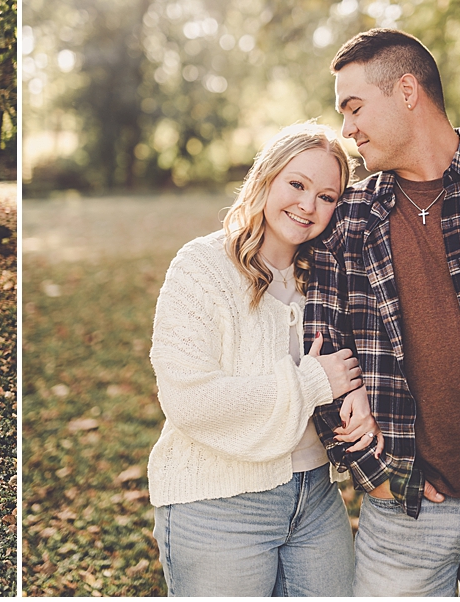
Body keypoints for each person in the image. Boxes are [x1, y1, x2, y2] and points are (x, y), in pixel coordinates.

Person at [306, 27, 460, 596]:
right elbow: (318, 352)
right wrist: (378, 477)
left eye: (354, 106)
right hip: (406, 516)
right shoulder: (347, 222)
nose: (346, 129)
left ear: (408, 91)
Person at [148, 122, 383, 597]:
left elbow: (359, 360)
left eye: (327, 196)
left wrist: (360, 395)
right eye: (296, 184)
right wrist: (314, 382)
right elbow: (189, 400)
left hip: (315, 498)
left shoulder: (326, 276)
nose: (308, 205)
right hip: (218, 504)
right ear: (266, 178)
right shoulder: (201, 268)